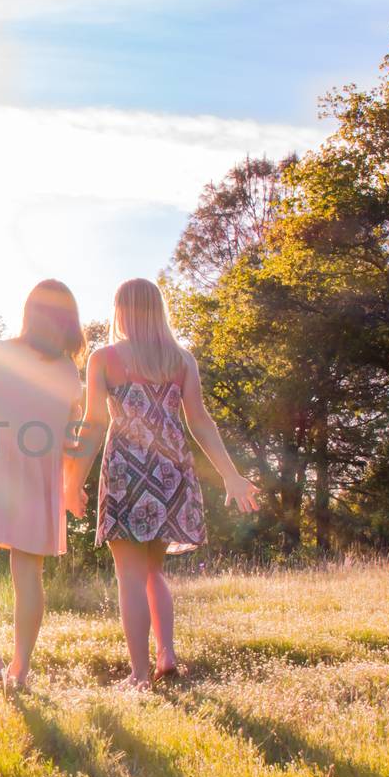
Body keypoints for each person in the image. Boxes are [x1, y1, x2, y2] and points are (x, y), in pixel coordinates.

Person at [65, 278, 259, 689]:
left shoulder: (104, 358)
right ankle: (165, 653)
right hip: (171, 471)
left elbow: (94, 424)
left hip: (126, 471)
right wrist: (231, 476)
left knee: (130, 578)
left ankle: (138, 675)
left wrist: (73, 481)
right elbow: (200, 422)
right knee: (154, 571)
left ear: (120, 309)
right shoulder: (180, 359)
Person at [0, 280, 85, 692]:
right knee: (29, 573)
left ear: (29, 312)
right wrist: (68, 484)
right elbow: (68, 437)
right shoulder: (67, 371)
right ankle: (19, 671)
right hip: (37, 476)